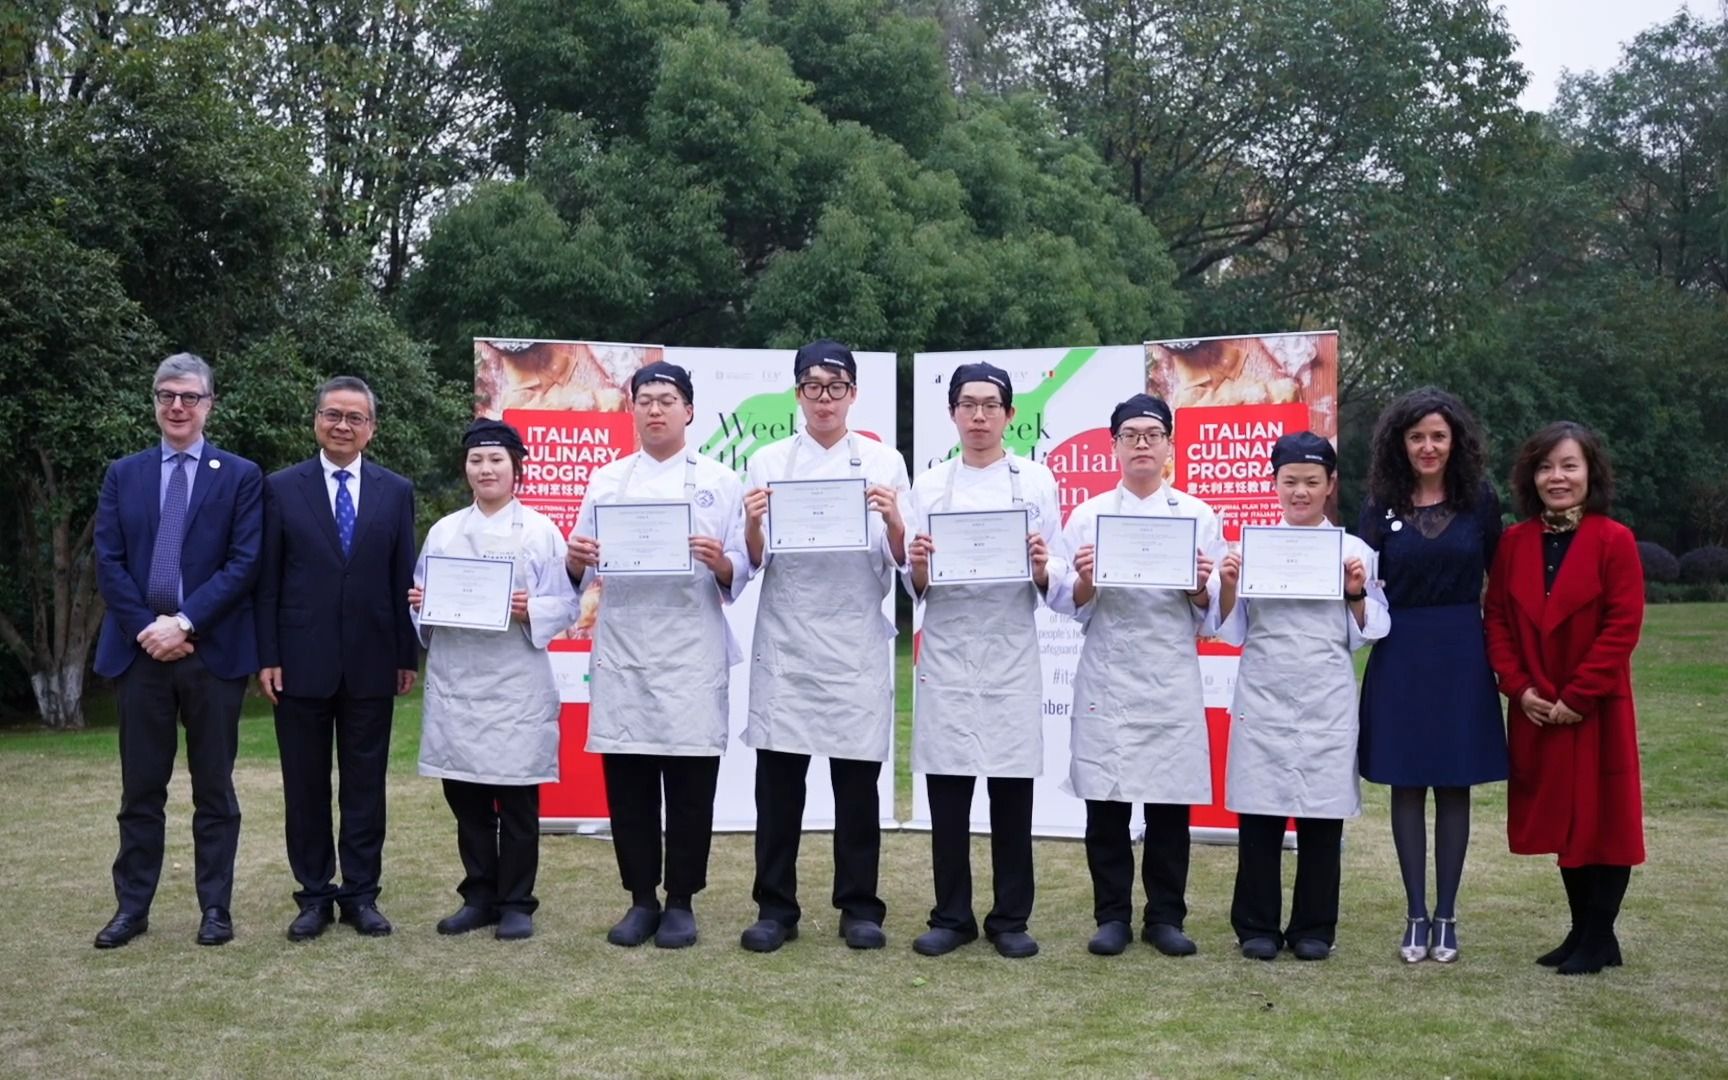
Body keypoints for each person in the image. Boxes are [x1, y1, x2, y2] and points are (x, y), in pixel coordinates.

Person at [567, 361, 748, 950]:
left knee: (692, 780)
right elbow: (580, 568)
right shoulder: (607, 481)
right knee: (630, 781)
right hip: (624, 647)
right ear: (632, 410)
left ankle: (681, 901)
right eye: (644, 399)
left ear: (689, 410)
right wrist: (576, 558)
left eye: (667, 400)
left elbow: (741, 570)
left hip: (692, 647)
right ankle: (641, 898)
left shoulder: (721, 481)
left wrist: (719, 560)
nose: (654, 409)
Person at [736, 340, 910, 953]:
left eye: (836, 387)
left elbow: (907, 561)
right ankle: (775, 907)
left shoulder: (885, 464)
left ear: (854, 393)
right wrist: (755, 523)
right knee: (778, 787)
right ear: (798, 395)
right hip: (787, 637)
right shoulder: (767, 462)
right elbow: (748, 562)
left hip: (854, 639)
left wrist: (893, 519)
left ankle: (860, 905)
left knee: (856, 786)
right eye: (812, 386)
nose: (824, 398)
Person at [92, 353, 264, 948]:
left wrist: (184, 623)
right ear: (155, 401)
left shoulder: (239, 475)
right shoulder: (124, 473)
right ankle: (131, 909)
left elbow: (244, 563)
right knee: (141, 790)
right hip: (139, 656)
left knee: (214, 790)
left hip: (211, 657)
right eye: (167, 395)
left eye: (190, 397)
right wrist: (150, 628)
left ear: (209, 404)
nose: (177, 406)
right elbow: (109, 560)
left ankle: (215, 909)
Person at [904, 361, 1066, 960]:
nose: (979, 415)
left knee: (1010, 790)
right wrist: (918, 566)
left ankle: (1010, 918)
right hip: (947, 646)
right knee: (948, 790)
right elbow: (913, 583)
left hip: (1010, 649)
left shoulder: (1038, 483)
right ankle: (951, 915)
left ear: (1009, 415)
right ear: (951, 414)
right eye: (967, 404)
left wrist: (1044, 566)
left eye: (990, 405)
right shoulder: (928, 486)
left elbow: (1057, 577)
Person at [1049, 394, 1221, 958]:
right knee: (1107, 799)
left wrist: (1200, 585)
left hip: (1170, 672)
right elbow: (1064, 602)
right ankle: (1112, 916)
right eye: (1130, 435)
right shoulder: (1088, 516)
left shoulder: (1196, 515)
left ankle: (1166, 917)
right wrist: (1086, 580)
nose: (1141, 444)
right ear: (1114, 446)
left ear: (1170, 445)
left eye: (1152, 434)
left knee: (1170, 803)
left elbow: (1214, 612)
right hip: (1109, 671)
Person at [255, 376, 419, 941]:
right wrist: (268, 654)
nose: (343, 425)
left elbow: (403, 578)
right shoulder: (279, 488)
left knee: (365, 786)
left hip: (374, 661)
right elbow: (268, 580)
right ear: (317, 421)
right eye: (333, 415)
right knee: (304, 786)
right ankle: (313, 896)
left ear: (371, 428)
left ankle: (360, 895)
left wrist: (406, 653)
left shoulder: (396, 491)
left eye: (355, 417)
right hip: (299, 661)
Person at [1216, 432, 1389, 962]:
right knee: (1260, 814)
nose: (1300, 492)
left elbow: (1373, 628)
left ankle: (1315, 927)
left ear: (1330, 485)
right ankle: (1256, 927)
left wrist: (1355, 591)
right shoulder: (1251, 548)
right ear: (1273, 483)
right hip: (1264, 691)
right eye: (1290, 481)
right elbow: (1231, 630)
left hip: (1325, 694)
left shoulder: (1354, 551)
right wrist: (1228, 582)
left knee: (1321, 816)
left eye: (1312, 482)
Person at [409, 418, 580, 942]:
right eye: (477, 461)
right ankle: (478, 895)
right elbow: (422, 600)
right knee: (466, 797)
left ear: (516, 470)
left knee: (519, 798)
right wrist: (420, 606)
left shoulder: (541, 532)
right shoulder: (444, 531)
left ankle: (517, 901)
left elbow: (567, 603)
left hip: (514, 682)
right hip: (459, 681)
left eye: (496, 460)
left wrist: (536, 609)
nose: (486, 469)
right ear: (466, 470)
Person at [1484, 422, 1645, 976]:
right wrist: (1519, 687)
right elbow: (1498, 619)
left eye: (1569, 466)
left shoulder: (1614, 541)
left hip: (1594, 708)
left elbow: (1623, 626)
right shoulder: (1514, 542)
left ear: (1590, 474)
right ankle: (1583, 930)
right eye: (1547, 466)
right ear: (1532, 476)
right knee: (1562, 822)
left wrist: (1579, 694)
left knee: (1605, 821)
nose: (1558, 477)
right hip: (1537, 706)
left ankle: (1599, 935)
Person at [1355, 387, 1507, 964]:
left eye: (1437, 436)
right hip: (1402, 651)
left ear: (1454, 442)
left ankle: (1447, 915)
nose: (1427, 446)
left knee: (1454, 782)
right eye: (1416, 436)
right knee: (1407, 781)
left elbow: (1500, 578)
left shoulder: (1480, 500)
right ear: (1400, 442)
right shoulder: (1379, 504)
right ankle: (1415, 914)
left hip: (1462, 649)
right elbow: (1363, 587)